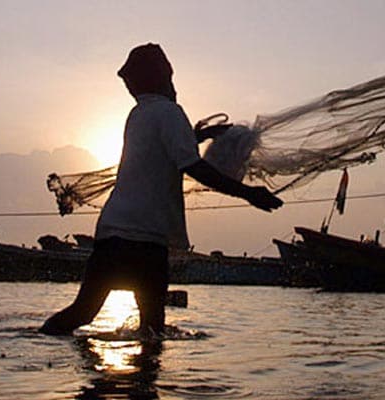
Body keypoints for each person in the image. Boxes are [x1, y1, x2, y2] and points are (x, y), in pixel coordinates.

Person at [40, 43, 283, 335]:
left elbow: (161, 151)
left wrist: (198, 135)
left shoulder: (139, 114)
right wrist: (249, 194)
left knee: (83, 313)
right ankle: (145, 380)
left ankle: (39, 343)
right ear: (161, 77)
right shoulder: (169, 113)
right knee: (152, 328)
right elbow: (193, 167)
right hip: (144, 238)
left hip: (112, 233)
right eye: (168, 75)